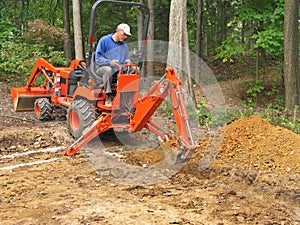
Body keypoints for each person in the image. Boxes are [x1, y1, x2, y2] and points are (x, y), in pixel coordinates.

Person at [95, 23, 134, 106]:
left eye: (127, 35)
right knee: (108, 70)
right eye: (124, 34)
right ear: (118, 31)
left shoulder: (124, 46)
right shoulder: (105, 40)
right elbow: (98, 58)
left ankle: (128, 96)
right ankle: (108, 96)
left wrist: (128, 62)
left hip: (118, 70)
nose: (125, 37)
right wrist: (109, 62)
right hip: (102, 68)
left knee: (134, 69)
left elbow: (127, 58)